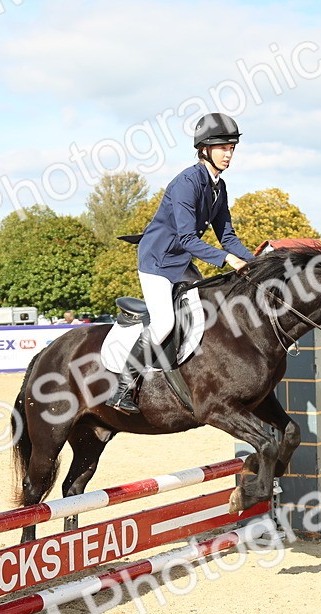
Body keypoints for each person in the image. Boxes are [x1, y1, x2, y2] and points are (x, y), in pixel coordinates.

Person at [105, 112, 255, 413]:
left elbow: (227, 236)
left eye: (232, 148)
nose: (229, 154)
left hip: (182, 259)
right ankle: (122, 387)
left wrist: (258, 261)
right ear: (204, 150)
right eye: (223, 147)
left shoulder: (218, 187)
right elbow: (187, 238)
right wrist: (227, 259)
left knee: (211, 309)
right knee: (164, 323)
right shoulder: (187, 183)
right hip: (158, 260)